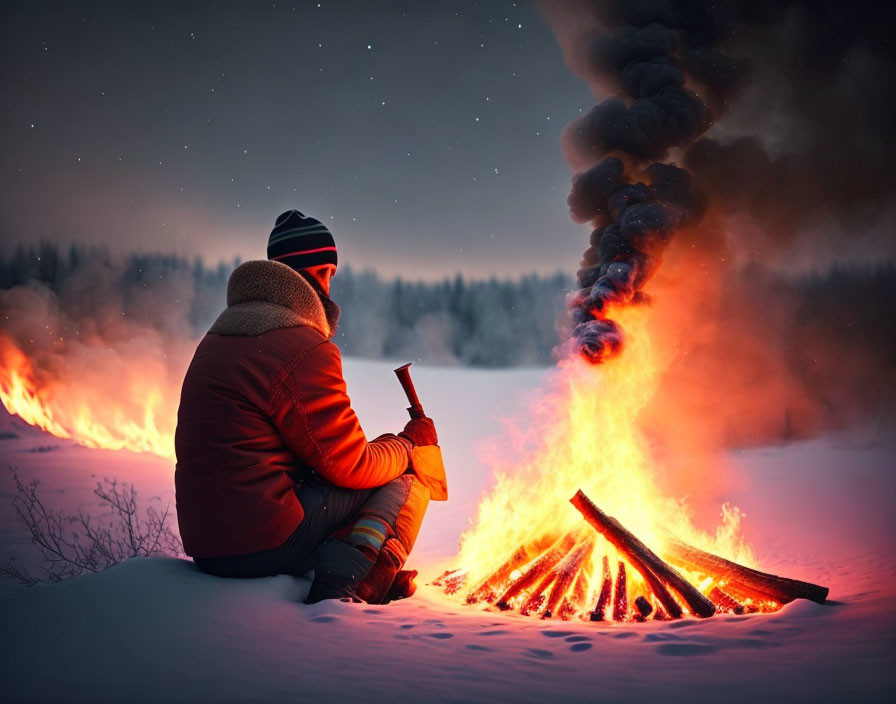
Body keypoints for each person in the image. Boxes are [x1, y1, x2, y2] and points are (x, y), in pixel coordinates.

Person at [174, 210, 438, 604]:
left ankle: (345, 564)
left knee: (366, 472)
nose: (331, 287)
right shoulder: (302, 344)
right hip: (259, 543)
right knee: (407, 478)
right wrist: (407, 446)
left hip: (209, 546)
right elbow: (351, 466)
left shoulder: (220, 335)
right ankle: (351, 585)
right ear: (310, 274)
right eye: (328, 273)